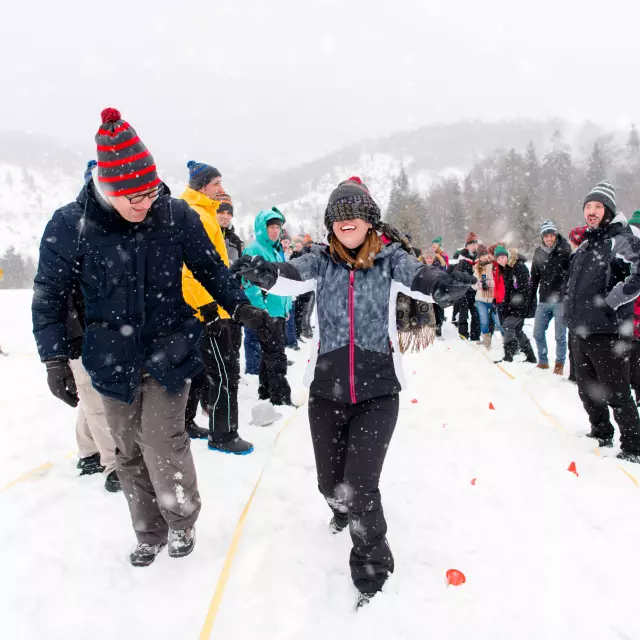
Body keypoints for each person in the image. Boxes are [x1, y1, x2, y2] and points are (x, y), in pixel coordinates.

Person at [32, 108, 271, 566]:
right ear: (107, 188)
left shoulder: (174, 213)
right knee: (126, 449)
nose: (145, 203)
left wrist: (239, 305)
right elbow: (49, 294)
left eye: (150, 191)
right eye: (133, 197)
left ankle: (181, 520)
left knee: (163, 439)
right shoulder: (69, 225)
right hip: (109, 356)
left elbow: (209, 268)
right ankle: (148, 530)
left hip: (169, 347)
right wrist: (53, 359)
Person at [231, 176, 476, 607]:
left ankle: (372, 570)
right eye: (339, 217)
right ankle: (339, 509)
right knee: (331, 484)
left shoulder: (389, 259)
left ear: (369, 220)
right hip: (326, 390)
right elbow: (289, 277)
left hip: (378, 392)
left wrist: (441, 285)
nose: (347, 223)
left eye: (355, 215)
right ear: (330, 224)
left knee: (361, 488)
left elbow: (421, 276)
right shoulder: (320, 261)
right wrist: (266, 273)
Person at [180, 162, 254, 454]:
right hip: (207, 309)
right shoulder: (196, 214)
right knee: (224, 373)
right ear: (202, 185)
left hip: (204, 307)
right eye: (216, 183)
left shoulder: (201, 212)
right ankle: (223, 435)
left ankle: (186, 422)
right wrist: (208, 307)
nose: (221, 190)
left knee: (197, 371)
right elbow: (189, 270)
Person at [565, 181, 640, 461]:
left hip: (608, 330)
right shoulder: (587, 241)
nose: (591, 212)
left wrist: (613, 300)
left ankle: (633, 447)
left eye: (597, 206)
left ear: (608, 210)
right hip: (580, 328)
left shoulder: (621, 239)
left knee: (617, 393)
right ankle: (601, 433)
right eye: (588, 207)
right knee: (587, 390)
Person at [242, 207, 293, 405]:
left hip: (278, 309)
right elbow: (248, 283)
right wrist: (260, 308)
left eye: (277, 227)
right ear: (262, 228)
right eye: (270, 226)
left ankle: (265, 391)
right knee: (276, 355)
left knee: (269, 354)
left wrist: (286, 307)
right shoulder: (254, 249)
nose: (274, 231)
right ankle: (280, 398)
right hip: (266, 312)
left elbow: (284, 281)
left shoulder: (275, 250)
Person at [529, 220, 571, 375]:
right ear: (542, 237)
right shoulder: (538, 252)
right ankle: (543, 361)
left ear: (555, 235)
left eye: (551, 235)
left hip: (560, 300)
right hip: (544, 300)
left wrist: (567, 293)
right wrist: (530, 299)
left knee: (560, 335)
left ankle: (559, 363)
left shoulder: (565, 249)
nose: (548, 239)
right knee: (537, 333)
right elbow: (534, 277)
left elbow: (571, 273)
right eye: (545, 236)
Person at [494, 245, 537, 363]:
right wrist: (505, 304)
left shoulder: (519, 267)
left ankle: (508, 356)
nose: (501, 260)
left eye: (502, 257)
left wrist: (515, 304)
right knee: (517, 331)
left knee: (508, 326)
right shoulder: (507, 269)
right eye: (498, 259)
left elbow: (524, 289)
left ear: (507, 256)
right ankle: (531, 357)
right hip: (514, 305)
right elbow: (508, 290)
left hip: (523, 304)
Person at [566, 225, 588, 383]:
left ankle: (579, 375)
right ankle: (574, 374)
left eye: (572, 240)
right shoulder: (575, 255)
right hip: (573, 307)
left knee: (578, 345)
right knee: (572, 344)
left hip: (581, 309)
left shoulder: (582, 256)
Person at [474, 244, 504, 350]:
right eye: (481, 256)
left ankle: (508, 342)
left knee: (499, 322)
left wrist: (489, 283)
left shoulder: (494, 266)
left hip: (493, 299)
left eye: (485, 255)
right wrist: (481, 284)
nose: (483, 257)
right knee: (484, 322)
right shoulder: (477, 268)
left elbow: (497, 282)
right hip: (481, 300)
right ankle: (487, 344)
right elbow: (473, 285)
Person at [453, 233, 481, 341]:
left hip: (475, 289)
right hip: (463, 288)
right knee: (463, 311)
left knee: (476, 312)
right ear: (467, 245)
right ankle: (463, 334)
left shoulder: (478, 256)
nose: (474, 246)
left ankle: (475, 335)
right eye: (472, 244)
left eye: (475, 244)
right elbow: (457, 273)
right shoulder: (461, 256)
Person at [423, 249, 447, 336]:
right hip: (425, 291)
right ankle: (427, 328)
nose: (429, 259)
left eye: (430, 258)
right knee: (426, 310)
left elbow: (443, 277)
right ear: (424, 259)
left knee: (438, 310)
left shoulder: (439, 266)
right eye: (427, 258)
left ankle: (438, 327)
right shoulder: (421, 266)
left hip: (437, 291)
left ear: (433, 258)